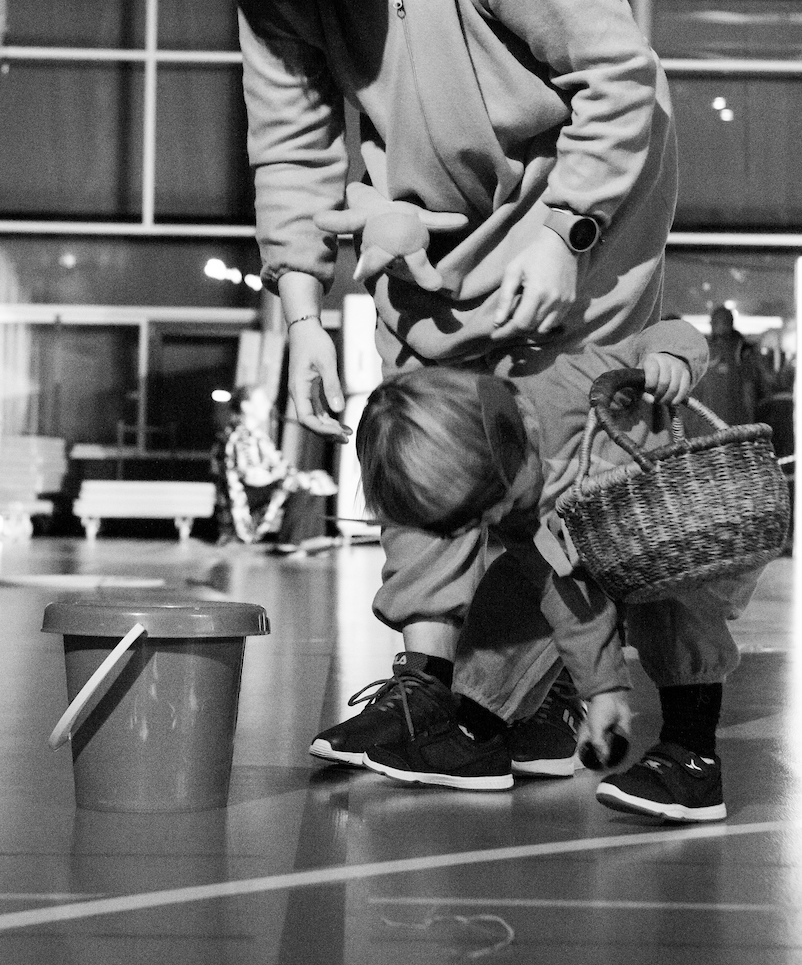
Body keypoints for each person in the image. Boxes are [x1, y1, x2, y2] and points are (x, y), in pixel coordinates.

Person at [175, 0, 678, 782]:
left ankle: (542, 691)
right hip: (430, 225)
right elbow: (290, 150)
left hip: (580, 203)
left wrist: (566, 230)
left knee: (555, 466)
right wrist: (303, 317)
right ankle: (429, 694)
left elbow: (622, 82)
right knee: (418, 434)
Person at [355, 318, 767, 822]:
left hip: (693, 521)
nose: (492, 518)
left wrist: (671, 359)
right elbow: (566, 592)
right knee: (512, 591)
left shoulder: (569, 385)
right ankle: (476, 729)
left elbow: (666, 332)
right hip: (610, 548)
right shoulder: (513, 502)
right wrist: (604, 690)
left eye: (489, 502)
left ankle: (692, 757)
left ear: (502, 445)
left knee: (673, 606)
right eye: (472, 520)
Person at [210, 383, 337, 544]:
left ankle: (312, 540)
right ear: (246, 406)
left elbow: (280, 465)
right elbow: (251, 477)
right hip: (242, 498)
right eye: (262, 401)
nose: (268, 405)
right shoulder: (238, 437)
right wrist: (285, 476)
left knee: (315, 480)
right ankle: (292, 542)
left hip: (259, 489)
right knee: (300, 483)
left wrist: (300, 475)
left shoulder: (257, 436)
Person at [694, 306, 774, 427]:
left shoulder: (741, 350)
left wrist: (750, 420)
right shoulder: (706, 348)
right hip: (709, 422)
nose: (716, 325)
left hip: (735, 420)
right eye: (714, 322)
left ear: (729, 323)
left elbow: (749, 389)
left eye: (721, 321)